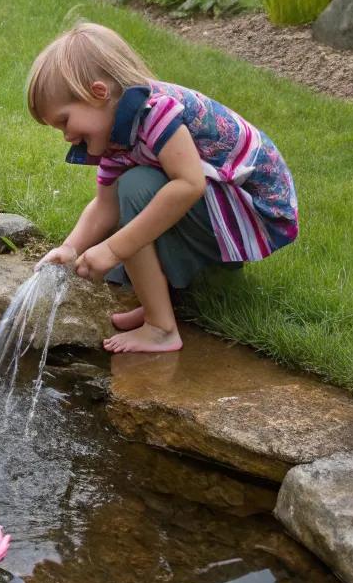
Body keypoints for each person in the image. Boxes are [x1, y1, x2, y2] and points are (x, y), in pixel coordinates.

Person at [25, 21, 298, 354]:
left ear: (98, 93)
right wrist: (70, 248)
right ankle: (158, 301)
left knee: (137, 188)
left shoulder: (157, 112)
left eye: (65, 121)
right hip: (221, 204)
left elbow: (188, 184)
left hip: (255, 212)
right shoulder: (117, 132)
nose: (66, 136)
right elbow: (104, 206)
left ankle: (161, 328)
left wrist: (112, 250)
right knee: (133, 196)